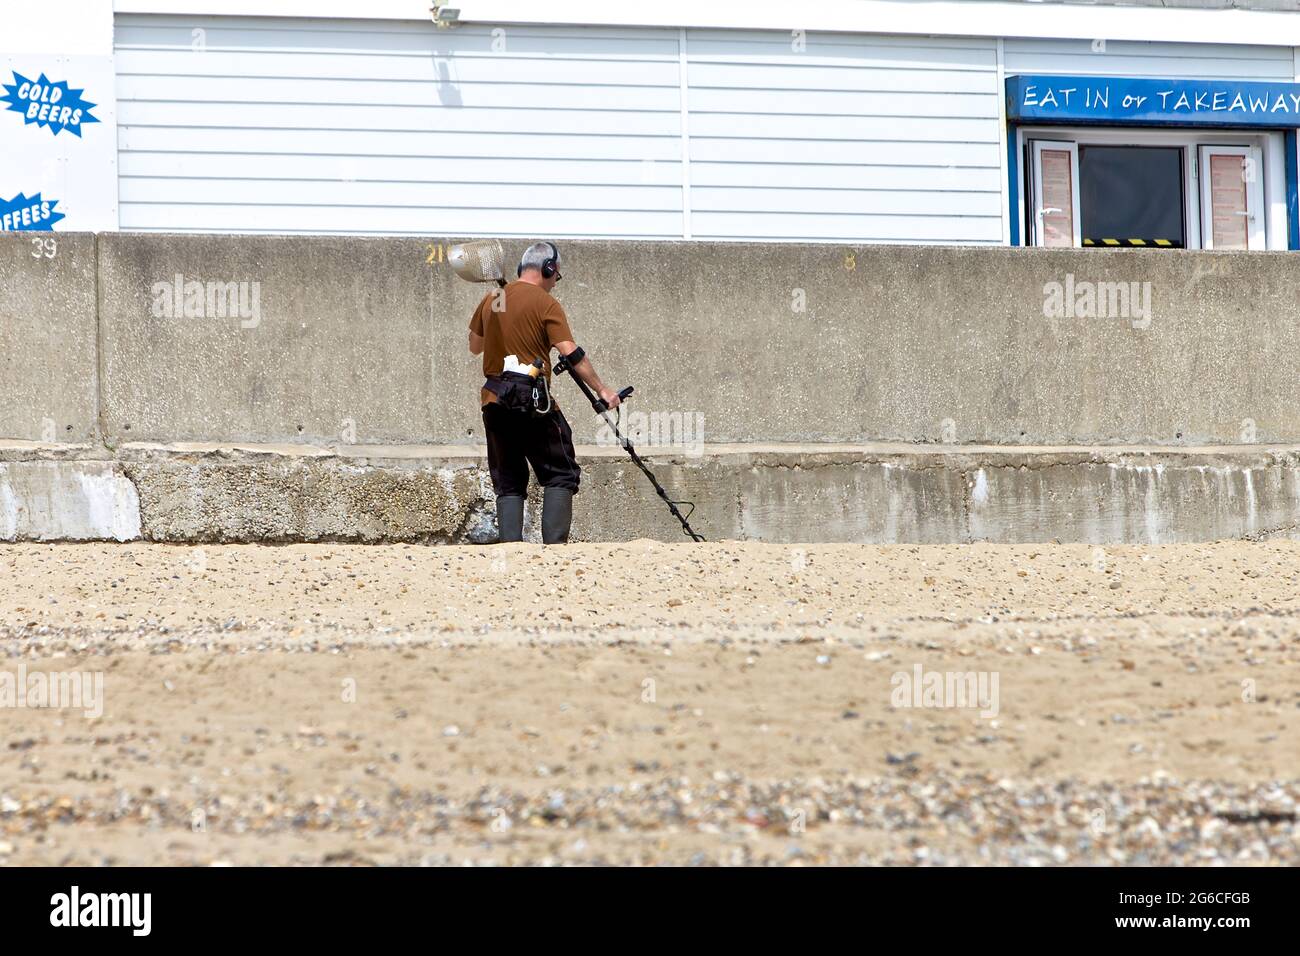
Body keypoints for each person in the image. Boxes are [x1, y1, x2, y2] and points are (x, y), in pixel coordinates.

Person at [468, 241, 621, 543]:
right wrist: (602, 389)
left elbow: (475, 346)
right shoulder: (545, 303)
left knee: (509, 480)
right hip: (531, 401)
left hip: (494, 401)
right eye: (557, 277)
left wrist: (503, 318)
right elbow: (571, 352)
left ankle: (511, 550)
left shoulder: (495, 297)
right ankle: (554, 552)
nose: (555, 284)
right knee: (560, 472)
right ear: (549, 269)